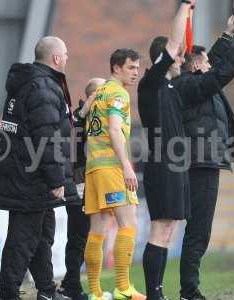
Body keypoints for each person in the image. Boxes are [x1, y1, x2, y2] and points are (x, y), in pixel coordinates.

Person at [174, 18, 234, 300]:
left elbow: (212, 63)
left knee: (198, 228)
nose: (211, 65)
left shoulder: (192, 81)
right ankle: (189, 289)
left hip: (203, 159)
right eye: (205, 63)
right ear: (197, 67)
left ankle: (187, 287)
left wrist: (226, 35)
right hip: (200, 161)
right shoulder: (192, 85)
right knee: (199, 229)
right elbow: (219, 73)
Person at [0, 36, 80, 300]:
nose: (67, 58)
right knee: (24, 239)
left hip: (25, 174)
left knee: (41, 237)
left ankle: (47, 291)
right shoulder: (43, 87)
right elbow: (47, 138)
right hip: (33, 178)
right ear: (56, 58)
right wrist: (55, 180)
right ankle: (8, 293)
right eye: (65, 54)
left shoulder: (28, 83)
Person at [137, 1, 194, 299]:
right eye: (177, 55)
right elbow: (174, 44)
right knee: (160, 229)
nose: (181, 57)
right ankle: (153, 294)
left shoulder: (172, 88)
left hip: (176, 163)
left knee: (169, 229)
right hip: (162, 163)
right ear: (163, 58)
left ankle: (156, 292)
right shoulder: (150, 84)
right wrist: (184, 7)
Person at [84, 49, 144, 300]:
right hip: (111, 168)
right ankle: (122, 288)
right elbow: (115, 129)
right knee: (128, 224)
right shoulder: (118, 93)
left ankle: (96, 292)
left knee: (97, 230)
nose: (136, 72)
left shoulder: (100, 93)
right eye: (131, 67)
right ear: (116, 68)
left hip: (93, 168)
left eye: (137, 67)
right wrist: (127, 166)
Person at [57, 78, 106, 300]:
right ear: (90, 95)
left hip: (93, 184)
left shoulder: (100, 118)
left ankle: (69, 283)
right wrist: (84, 111)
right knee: (77, 237)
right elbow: (70, 144)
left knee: (84, 237)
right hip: (77, 184)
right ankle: (72, 287)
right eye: (101, 93)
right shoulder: (76, 118)